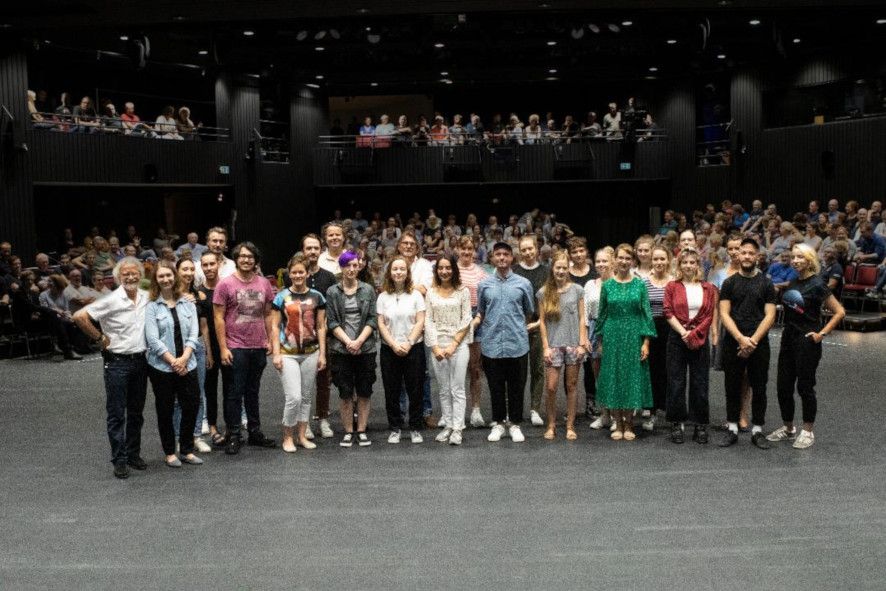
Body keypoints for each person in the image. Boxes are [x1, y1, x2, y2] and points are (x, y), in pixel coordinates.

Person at [73, 257, 149, 479]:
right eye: (125, 274)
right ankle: (120, 459)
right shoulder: (111, 299)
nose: (131, 277)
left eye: (134, 273)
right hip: (117, 363)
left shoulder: (146, 297)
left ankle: (134, 454)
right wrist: (98, 338)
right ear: (117, 277)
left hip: (141, 362)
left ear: (140, 275)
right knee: (117, 414)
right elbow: (79, 316)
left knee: (136, 413)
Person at [767, 245, 845, 449]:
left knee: (805, 387)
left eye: (800, 257)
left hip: (807, 341)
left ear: (810, 260)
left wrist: (821, 334)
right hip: (788, 338)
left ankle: (808, 431)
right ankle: (788, 428)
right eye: (793, 257)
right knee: (783, 386)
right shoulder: (793, 281)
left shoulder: (818, 284)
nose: (795, 260)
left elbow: (839, 312)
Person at [213, 242, 277, 455]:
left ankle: (255, 432)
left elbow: (268, 314)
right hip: (236, 347)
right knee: (234, 393)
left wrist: (269, 340)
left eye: (250, 257)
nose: (246, 260)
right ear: (236, 259)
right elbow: (218, 318)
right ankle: (234, 434)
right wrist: (223, 348)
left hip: (258, 346)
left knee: (253, 392)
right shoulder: (225, 284)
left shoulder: (264, 284)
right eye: (242, 256)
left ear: (255, 260)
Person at [718, 238, 777, 449]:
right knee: (731, 387)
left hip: (758, 344)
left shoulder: (767, 283)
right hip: (733, 342)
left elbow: (770, 316)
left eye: (751, 253)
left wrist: (752, 341)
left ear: (757, 256)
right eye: (743, 252)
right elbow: (724, 314)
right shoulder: (729, 283)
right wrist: (741, 339)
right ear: (738, 254)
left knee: (759, 387)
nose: (746, 256)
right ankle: (732, 427)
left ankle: (758, 430)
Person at [144, 261, 203, 468]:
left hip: (189, 362)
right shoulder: (151, 306)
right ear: (156, 280)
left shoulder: (188, 303)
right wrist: (174, 361)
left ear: (174, 277)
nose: (166, 279)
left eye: (169, 275)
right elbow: (152, 339)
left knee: (192, 405)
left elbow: (194, 333)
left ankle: (186, 449)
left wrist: (185, 357)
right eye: (161, 277)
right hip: (162, 367)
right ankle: (170, 452)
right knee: (165, 409)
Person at [595, 244, 656, 441]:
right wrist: (601, 341)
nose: (623, 261)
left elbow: (647, 315)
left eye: (627, 258)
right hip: (612, 336)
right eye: (620, 258)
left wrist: (646, 342)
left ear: (632, 261)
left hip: (633, 335)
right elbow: (602, 315)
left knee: (631, 378)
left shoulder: (640, 285)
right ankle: (618, 422)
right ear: (615, 260)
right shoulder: (607, 286)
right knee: (613, 377)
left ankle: (629, 422)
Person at [476, 242, 535, 443]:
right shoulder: (484, 284)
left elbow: (528, 312)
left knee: (517, 386)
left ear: (512, 258)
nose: (502, 258)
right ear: (492, 258)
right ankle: (499, 423)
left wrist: (517, 329)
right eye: (498, 254)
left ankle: (515, 424)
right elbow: (482, 312)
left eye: (506, 255)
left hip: (517, 343)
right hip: (491, 344)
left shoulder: (523, 284)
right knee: (496, 386)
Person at [271, 254, 326, 453]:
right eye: (294, 272)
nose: (297, 275)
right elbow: (275, 327)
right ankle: (287, 436)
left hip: (311, 352)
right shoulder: (281, 297)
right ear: (289, 274)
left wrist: (322, 354)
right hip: (288, 353)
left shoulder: (317, 297)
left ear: (307, 273)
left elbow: (321, 326)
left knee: (306, 397)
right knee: (293, 397)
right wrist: (276, 353)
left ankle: (302, 436)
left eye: (301, 272)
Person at [664, 248, 719, 444]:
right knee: (676, 382)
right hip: (677, 339)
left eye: (692, 262)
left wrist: (695, 333)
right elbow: (668, 311)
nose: (688, 266)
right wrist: (683, 332)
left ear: (698, 265)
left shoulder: (708, 288)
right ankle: (677, 423)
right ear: (679, 265)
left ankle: (700, 424)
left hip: (700, 339)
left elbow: (709, 315)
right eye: (684, 262)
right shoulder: (672, 286)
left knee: (700, 383)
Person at [326, 250, 378, 447]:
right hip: (341, 349)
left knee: (365, 390)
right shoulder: (332, 292)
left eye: (355, 265)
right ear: (341, 267)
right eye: (348, 265)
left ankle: (362, 430)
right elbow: (331, 321)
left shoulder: (368, 290)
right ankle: (349, 431)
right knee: (345, 392)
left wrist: (358, 342)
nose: (352, 269)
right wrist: (348, 341)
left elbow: (372, 318)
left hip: (366, 348)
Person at [376, 256, 427, 444]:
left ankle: (415, 427)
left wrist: (408, 342)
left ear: (407, 272)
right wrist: (393, 344)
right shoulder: (382, 296)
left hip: (413, 348)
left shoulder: (416, 295)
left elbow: (421, 320)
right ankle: (395, 428)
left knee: (416, 389)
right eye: (395, 269)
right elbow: (381, 323)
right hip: (389, 349)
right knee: (392, 389)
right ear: (389, 272)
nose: (398, 272)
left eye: (402, 269)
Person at [538, 252, 588, 441]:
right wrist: (545, 346)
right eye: (557, 267)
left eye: (564, 268)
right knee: (551, 387)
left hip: (573, 344)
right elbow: (541, 321)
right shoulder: (544, 292)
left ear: (568, 269)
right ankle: (551, 425)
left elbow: (583, 317)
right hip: (554, 345)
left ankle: (570, 425)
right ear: (552, 268)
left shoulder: (577, 290)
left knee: (572, 385)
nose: (561, 271)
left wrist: (582, 343)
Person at [424, 254, 472, 445]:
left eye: (448, 268)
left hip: (458, 346)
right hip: (438, 346)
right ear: (437, 271)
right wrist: (435, 347)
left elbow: (467, 318)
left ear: (454, 269)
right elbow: (428, 320)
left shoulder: (463, 291)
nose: (444, 271)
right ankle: (449, 425)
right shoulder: (431, 292)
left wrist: (453, 344)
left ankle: (458, 429)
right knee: (443, 389)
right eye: (441, 268)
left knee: (457, 389)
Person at [173, 257, 212, 454]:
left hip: (197, 346)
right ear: (177, 271)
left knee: (199, 394)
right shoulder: (170, 295)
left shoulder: (200, 296)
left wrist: (208, 351)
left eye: (191, 269)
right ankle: (180, 438)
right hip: (178, 348)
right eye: (184, 269)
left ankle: (196, 436)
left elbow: (204, 326)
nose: (188, 273)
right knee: (180, 397)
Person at [301, 233, 337, 438]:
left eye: (316, 248)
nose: (312, 252)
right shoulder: (294, 275)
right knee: (303, 383)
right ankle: (304, 422)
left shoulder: (328, 276)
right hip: (300, 339)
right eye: (309, 248)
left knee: (324, 381)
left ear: (320, 250)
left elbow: (331, 308)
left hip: (324, 338)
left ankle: (323, 419)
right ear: (303, 250)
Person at [512, 235, 548, 427]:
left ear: (536, 249)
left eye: (530, 249)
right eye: (523, 249)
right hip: (516, 329)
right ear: (520, 251)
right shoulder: (514, 271)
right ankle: (515, 411)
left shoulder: (546, 272)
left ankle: (535, 409)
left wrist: (539, 322)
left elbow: (550, 301)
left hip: (538, 326)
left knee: (538, 369)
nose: (527, 252)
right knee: (517, 372)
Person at [456, 235, 489, 427]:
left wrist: (477, 320)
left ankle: (476, 410)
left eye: (470, 249)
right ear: (457, 250)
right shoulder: (451, 270)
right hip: (455, 318)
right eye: (463, 248)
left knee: (475, 369)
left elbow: (484, 303)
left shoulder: (481, 273)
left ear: (474, 251)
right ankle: (455, 412)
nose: (467, 252)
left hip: (476, 320)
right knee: (456, 369)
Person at [642, 245, 672, 431]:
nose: (659, 262)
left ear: (668, 260)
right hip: (650, 330)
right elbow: (642, 311)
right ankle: (651, 413)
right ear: (651, 261)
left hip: (670, 330)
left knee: (670, 371)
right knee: (651, 372)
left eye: (662, 259)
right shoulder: (644, 283)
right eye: (656, 259)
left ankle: (671, 413)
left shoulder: (674, 282)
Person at [586, 247, 615, 429]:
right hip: (595, 330)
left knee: (613, 374)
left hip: (613, 329)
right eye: (598, 261)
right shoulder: (590, 285)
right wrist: (586, 337)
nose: (601, 264)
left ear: (612, 262)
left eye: (605, 261)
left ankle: (616, 416)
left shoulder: (619, 283)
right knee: (599, 377)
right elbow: (586, 313)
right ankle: (604, 414)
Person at [198, 251, 225, 448]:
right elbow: (204, 325)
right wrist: (208, 352)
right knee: (210, 388)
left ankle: (233, 427)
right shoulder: (198, 293)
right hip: (210, 347)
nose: (208, 268)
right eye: (205, 265)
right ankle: (213, 427)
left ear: (218, 265)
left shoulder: (227, 287)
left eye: (211, 264)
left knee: (232, 388)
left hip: (230, 344)